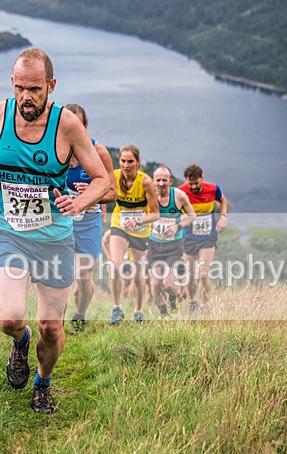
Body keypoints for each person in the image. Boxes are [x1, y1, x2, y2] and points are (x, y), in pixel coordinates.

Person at [0, 48, 112, 414]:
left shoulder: (67, 125)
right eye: (19, 88)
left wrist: (79, 203)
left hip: (54, 240)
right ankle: (20, 343)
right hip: (9, 232)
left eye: (34, 89)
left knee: (51, 327)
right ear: (12, 84)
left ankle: (43, 384)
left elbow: (101, 180)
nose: (26, 97)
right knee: (8, 319)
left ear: (50, 85)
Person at [63, 103, 116, 334]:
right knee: (60, 274)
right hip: (62, 220)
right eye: (68, 124)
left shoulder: (99, 152)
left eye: (78, 124)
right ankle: (53, 323)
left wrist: (92, 193)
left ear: (85, 126)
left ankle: (79, 316)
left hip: (89, 221)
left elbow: (113, 193)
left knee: (83, 278)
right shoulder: (56, 150)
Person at [107, 144, 159, 324]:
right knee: (114, 267)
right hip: (119, 226)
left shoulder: (145, 182)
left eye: (130, 161)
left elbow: (155, 213)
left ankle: (138, 311)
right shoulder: (114, 176)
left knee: (138, 277)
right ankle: (116, 308)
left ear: (138, 163)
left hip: (140, 230)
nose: (126, 165)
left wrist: (137, 220)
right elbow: (102, 193)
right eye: (123, 161)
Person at [178, 163, 228, 312]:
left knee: (203, 273)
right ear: (186, 181)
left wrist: (223, 216)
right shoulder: (181, 192)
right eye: (190, 183)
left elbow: (222, 200)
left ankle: (205, 306)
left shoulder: (213, 189)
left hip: (208, 237)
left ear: (202, 178)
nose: (193, 187)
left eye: (196, 183)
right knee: (191, 275)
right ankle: (193, 302)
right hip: (189, 237)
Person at [148, 165, 195, 317]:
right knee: (155, 284)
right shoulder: (148, 196)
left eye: (164, 180)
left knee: (168, 284)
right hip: (154, 245)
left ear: (170, 181)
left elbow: (192, 215)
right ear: (153, 181)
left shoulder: (179, 196)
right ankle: (163, 313)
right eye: (158, 180)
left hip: (173, 245)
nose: (161, 183)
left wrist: (177, 226)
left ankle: (173, 302)